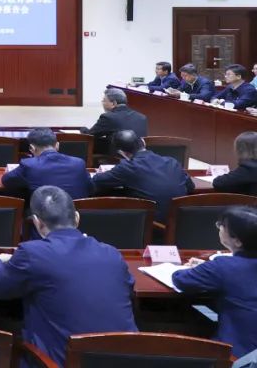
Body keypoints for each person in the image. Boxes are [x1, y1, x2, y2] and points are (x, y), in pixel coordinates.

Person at [0, 186, 137, 367]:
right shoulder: (112, 253)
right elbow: (128, 288)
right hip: (126, 360)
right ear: (77, 218)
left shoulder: (32, 253)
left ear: (37, 222)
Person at [173, 206, 257, 358]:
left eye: (222, 226)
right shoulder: (224, 266)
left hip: (239, 356)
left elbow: (180, 279)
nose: (219, 228)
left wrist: (204, 269)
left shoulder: (223, 266)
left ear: (237, 241)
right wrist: (208, 268)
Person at [91, 130, 194, 222]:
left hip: (152, 226)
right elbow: (190, 187)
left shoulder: (129, 167)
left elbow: (96, 180)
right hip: (181, 223)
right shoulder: (172, 162)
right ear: (143, 142)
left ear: (122, 153)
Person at [1, 128, 92, 200]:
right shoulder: (78, 163)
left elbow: (6, 180)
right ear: (57, 145)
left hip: (44, 216)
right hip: (76, 215)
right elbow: (90, 187)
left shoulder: (29, 164)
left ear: (32, 148)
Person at [87, 87, 148, 154]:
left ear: (114, 103)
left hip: (119, 154)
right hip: (139, 153)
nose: (102, 103)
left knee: (87, 142)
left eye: (104, 100)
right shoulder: (142, 117)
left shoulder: (108, 117)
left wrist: (83, 129)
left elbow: (89, 135)